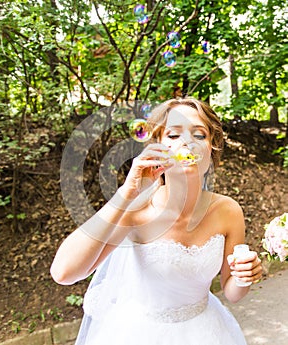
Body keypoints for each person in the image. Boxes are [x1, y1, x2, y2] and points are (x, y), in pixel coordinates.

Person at [50, 97, 263, 345]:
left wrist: (243, 276)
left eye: (199, 135)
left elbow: (232, 292)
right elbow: (63, 272)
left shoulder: (228, 211)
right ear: (157, 148)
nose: (187, 142)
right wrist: (125, 194)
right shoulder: (136, 210)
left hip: (207, 332)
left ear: (211, 149)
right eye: (173, 135)